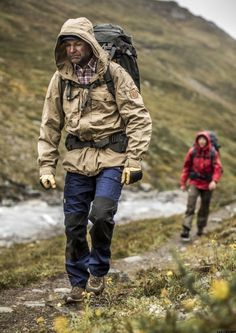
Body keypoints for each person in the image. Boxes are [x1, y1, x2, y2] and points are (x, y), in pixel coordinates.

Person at [37, 17, 152, 303]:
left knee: (100, 215)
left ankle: (98, 270)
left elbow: (138, 117)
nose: (73, 50)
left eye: (78, 44)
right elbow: (50, 124)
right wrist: (46, 165)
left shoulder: (114, 74)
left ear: (89, 44)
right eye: (68, 45)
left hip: (113, 157)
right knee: (74, 225)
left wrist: (134, 159)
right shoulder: (60, 79)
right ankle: (77, 282)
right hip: (76, 160)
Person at [180, 131, 222, 241]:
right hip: (194, 182)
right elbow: (186, 167)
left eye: (204, 139)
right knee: (190, 206)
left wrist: (214, 181)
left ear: (207, 140)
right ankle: (186, 229)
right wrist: (183, 183)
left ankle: (200, 228)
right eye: (200, 139)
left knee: (204, 208)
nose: (202, 141)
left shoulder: (213, 152)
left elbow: (217, 168)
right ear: (197, 140)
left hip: (208, 185)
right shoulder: (193, 151)